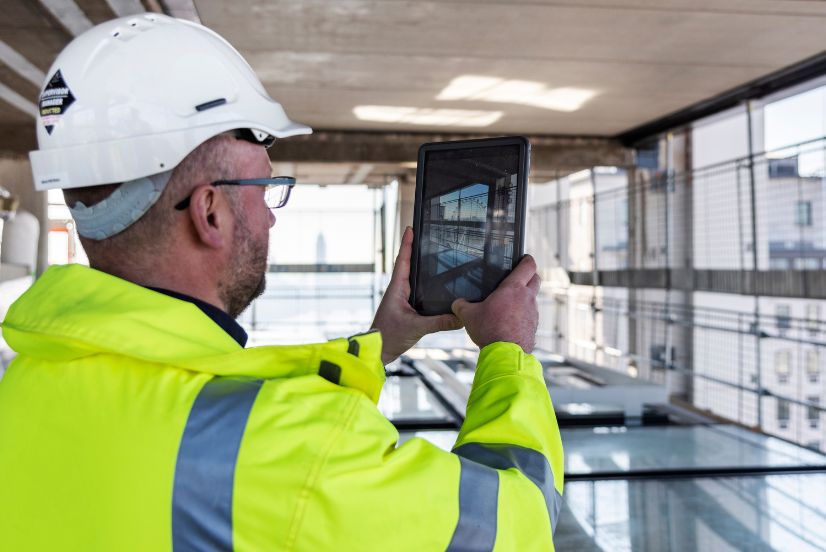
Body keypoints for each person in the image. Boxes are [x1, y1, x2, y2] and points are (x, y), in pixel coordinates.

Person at [0, 14, 564, 552]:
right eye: (265, 189)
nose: (271, 216)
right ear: (210, 212)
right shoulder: (295, 454)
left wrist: (380, 344)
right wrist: (506, 350)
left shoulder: (24, 387)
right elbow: (522, 521)